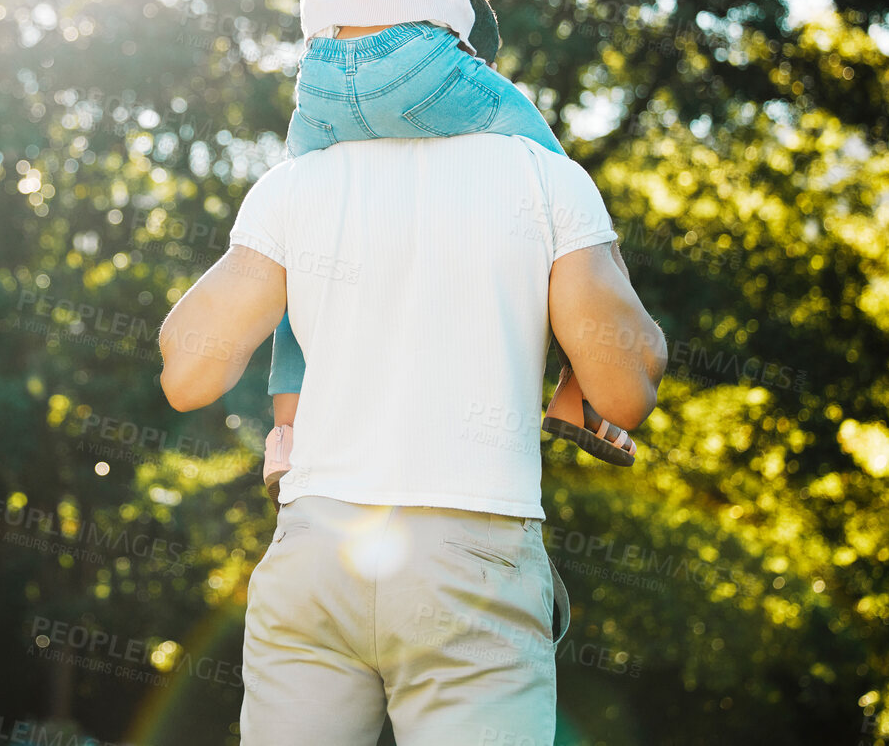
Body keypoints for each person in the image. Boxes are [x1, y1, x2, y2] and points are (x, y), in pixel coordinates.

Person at [58, 0, 767, 484]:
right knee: (562, 188)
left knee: (296, 250)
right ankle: (576, 389)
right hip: (422, 67)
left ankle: (288, 431)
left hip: (325, 83)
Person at [157, 130, 668, 742]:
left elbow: (185, 377)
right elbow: (626, 394)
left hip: (317, 546)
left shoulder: (294, 183)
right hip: (474, 549)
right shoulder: (545, 174)